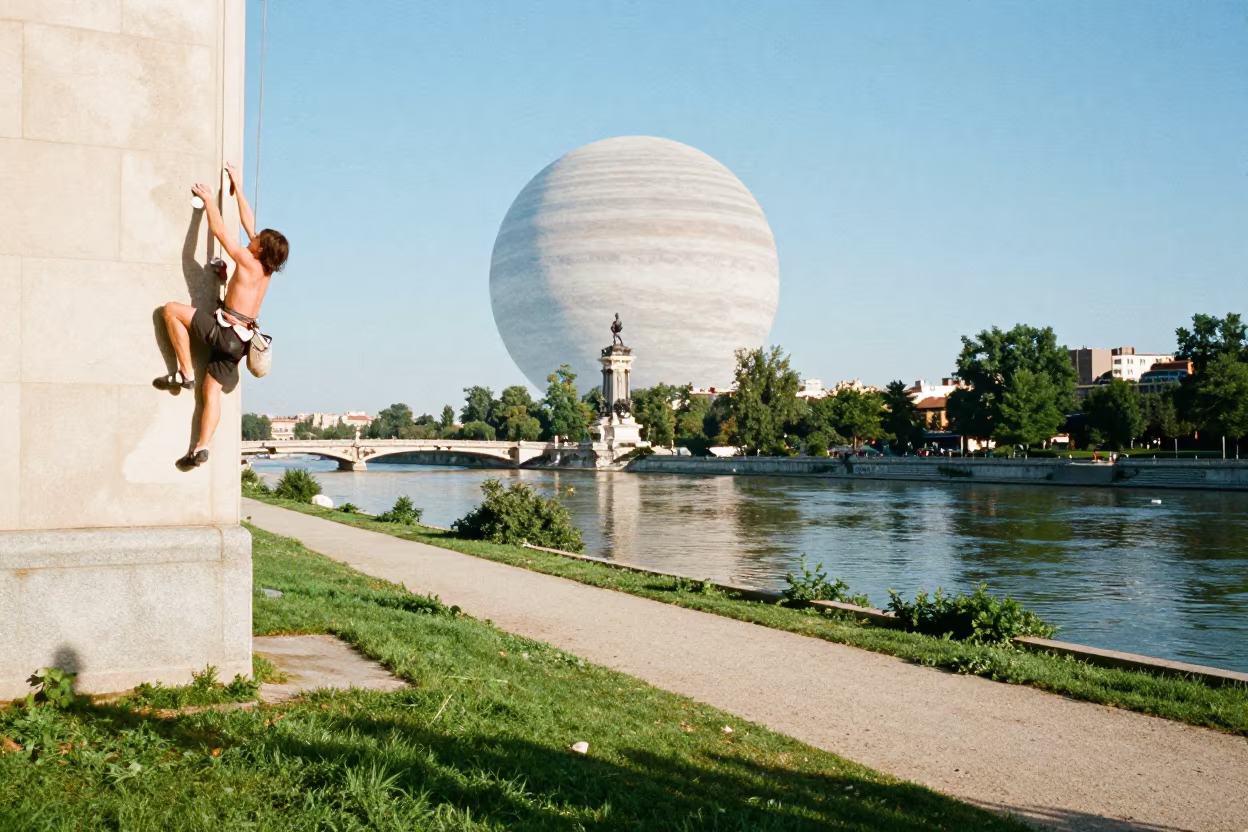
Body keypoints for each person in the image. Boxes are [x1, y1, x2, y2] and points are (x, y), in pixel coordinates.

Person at [155, 163, 289, 469]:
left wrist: (209, 203)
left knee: (171, 311)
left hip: (224, 330)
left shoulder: (246, 260)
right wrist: (237, 188)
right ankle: (200, 447)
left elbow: (220, 231)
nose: (251, 239)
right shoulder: (265, 271)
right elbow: (249, 223)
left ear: (260, 249)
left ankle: (185, 373)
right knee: (211, 391)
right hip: (239, 343)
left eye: (256, 240)